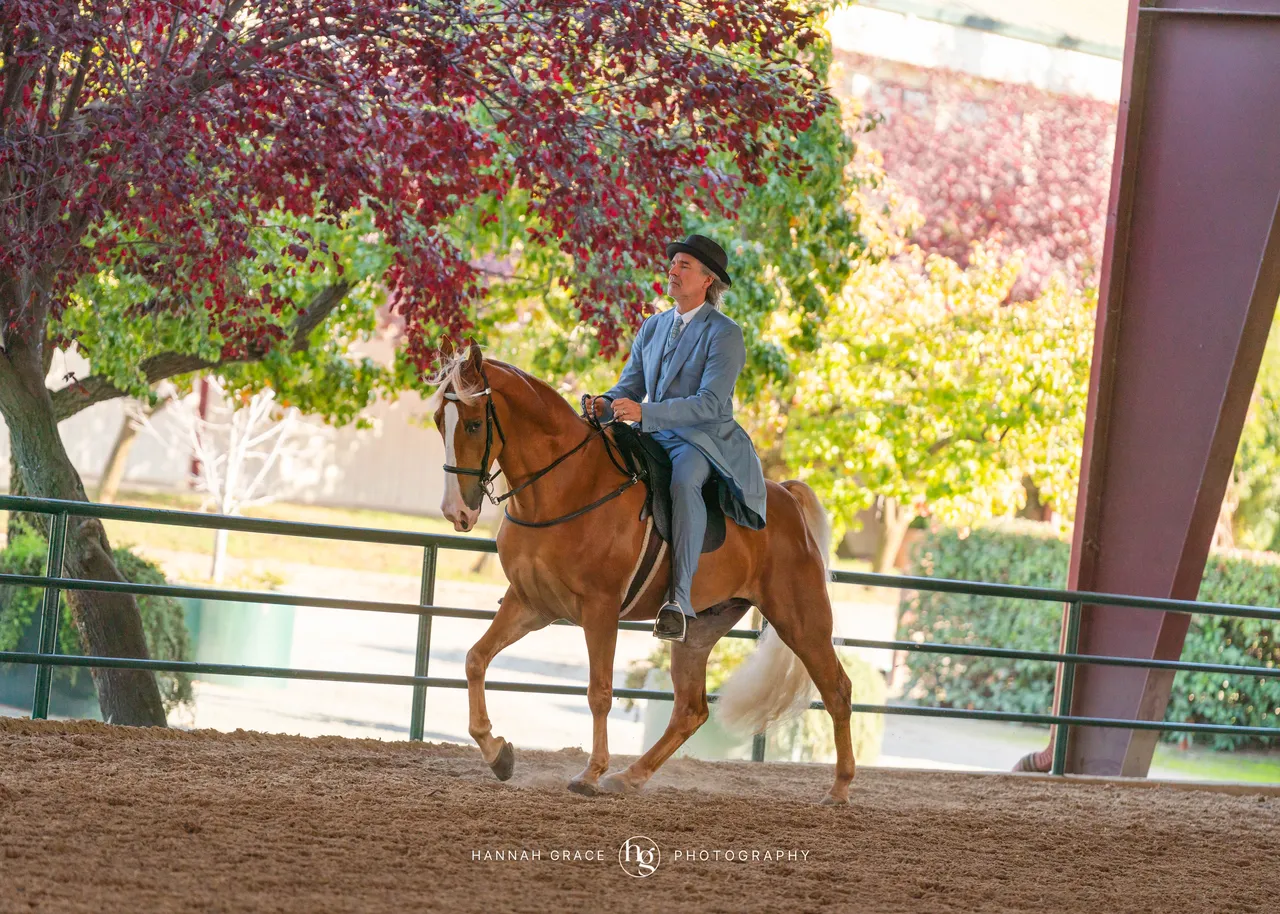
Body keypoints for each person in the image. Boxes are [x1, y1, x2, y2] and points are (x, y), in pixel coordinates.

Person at [589, 234, 767, 642]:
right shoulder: (652, 326)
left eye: (685, 265)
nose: (673, 269)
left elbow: (708, 404)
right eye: (674, 263)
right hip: (653, 429)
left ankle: (679, 601)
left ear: (707, 281)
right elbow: (628, 387)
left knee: (685, 480)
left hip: (704, 439)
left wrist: (646, 413)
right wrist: (601, 404)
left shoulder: (725, 334)